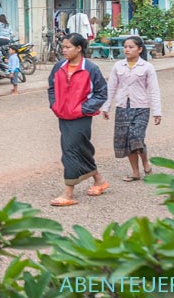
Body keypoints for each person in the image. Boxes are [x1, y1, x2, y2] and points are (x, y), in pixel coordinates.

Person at [47, 33, 109, 206]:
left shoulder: (91, 69)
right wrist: (55, 104)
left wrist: (83, 109)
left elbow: (101, 93)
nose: (64, 50)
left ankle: (68, 193)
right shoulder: (59, 66)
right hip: (63, 115)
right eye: (63, 47)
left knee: (70, 151)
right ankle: (100, 180)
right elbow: (51, 87)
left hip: (81, 117)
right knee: (81, 149)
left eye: (68, 47)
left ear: (79, 48)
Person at [100, 36, 162, 182]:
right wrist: (106, 107)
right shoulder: (118, 66)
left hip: (141, 107)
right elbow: (111, 87)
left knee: (136, 137)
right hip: (122, 107)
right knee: (126, 139)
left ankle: (146, 163)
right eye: (125, 47)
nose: (127, 49)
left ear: (140, 49)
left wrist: (157, 111)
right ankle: (135, 172)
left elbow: (154, 90)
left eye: (131, 47)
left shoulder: (147, 67)